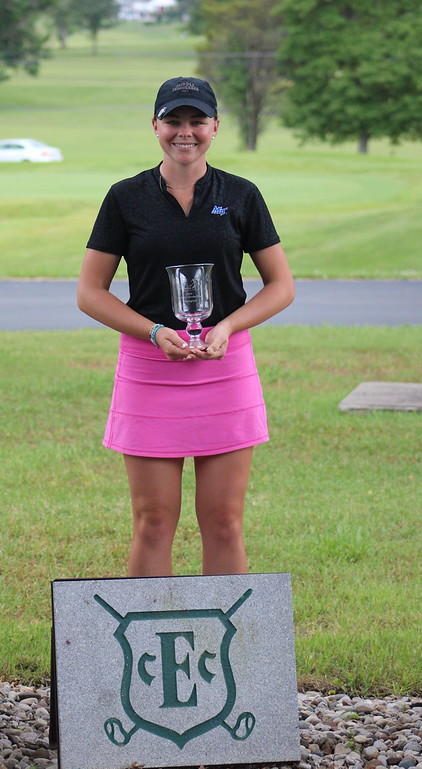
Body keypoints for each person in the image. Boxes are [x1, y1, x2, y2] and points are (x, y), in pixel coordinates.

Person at [77, 76, 294, 578]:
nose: (185, 131)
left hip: (226, 366)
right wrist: (154, 332)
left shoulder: (241, 195)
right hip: (148, 371)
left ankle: (225, 652)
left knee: (224, 523)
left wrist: (229, 326)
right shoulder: (125, 197)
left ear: (215, 127)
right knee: (153, 522)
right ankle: (151, 645)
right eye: (173, 120)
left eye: (197, 121)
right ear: (155, 125)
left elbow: (280, 285)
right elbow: (90, 293)